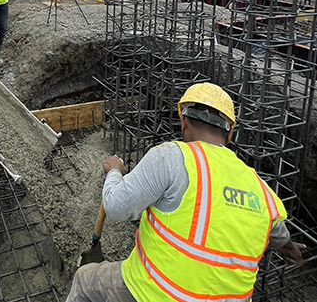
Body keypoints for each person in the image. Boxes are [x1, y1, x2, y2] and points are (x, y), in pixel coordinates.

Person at [66, 82, 305, 302]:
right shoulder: (260, 187)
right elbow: (277, 230)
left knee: (85, 279)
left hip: (158, 293)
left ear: (183, 122)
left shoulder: (171, 156)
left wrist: (115, 171)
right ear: (231, 134)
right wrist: (289, 248)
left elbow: (115, 207)